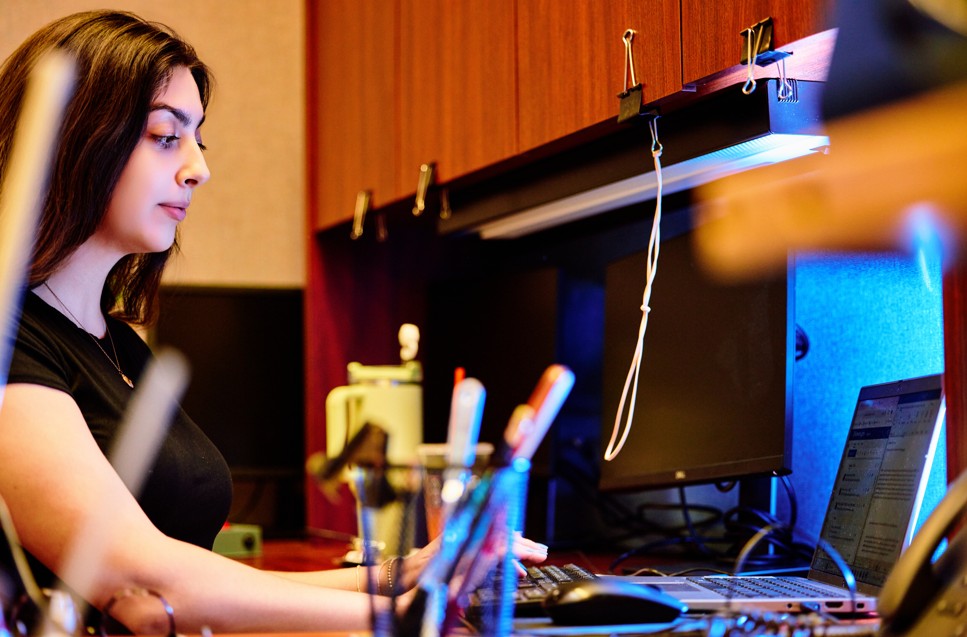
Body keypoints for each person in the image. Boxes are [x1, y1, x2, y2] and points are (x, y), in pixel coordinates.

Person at [0, 10, 547, 634]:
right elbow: (145, 580)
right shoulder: (10, 345)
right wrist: (394, 617)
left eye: (198, 140)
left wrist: (409, 571)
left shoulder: (119, 349)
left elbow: (207, 583)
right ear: (76, 138)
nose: (198, 169)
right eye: (164, 136)